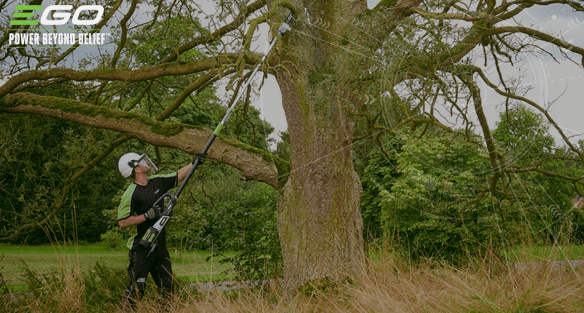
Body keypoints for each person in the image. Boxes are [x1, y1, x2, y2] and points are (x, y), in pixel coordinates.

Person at [116, 152, 203, 310]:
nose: (146, 162)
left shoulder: (157, 182)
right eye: (142, 161)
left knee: (167, 287)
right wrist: (146, 215)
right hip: (141, 248)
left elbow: (177, 176)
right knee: (137, 290)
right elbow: (122, 222)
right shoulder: (130, 193)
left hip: (160, 247)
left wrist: (195, 163)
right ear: (136, 169)